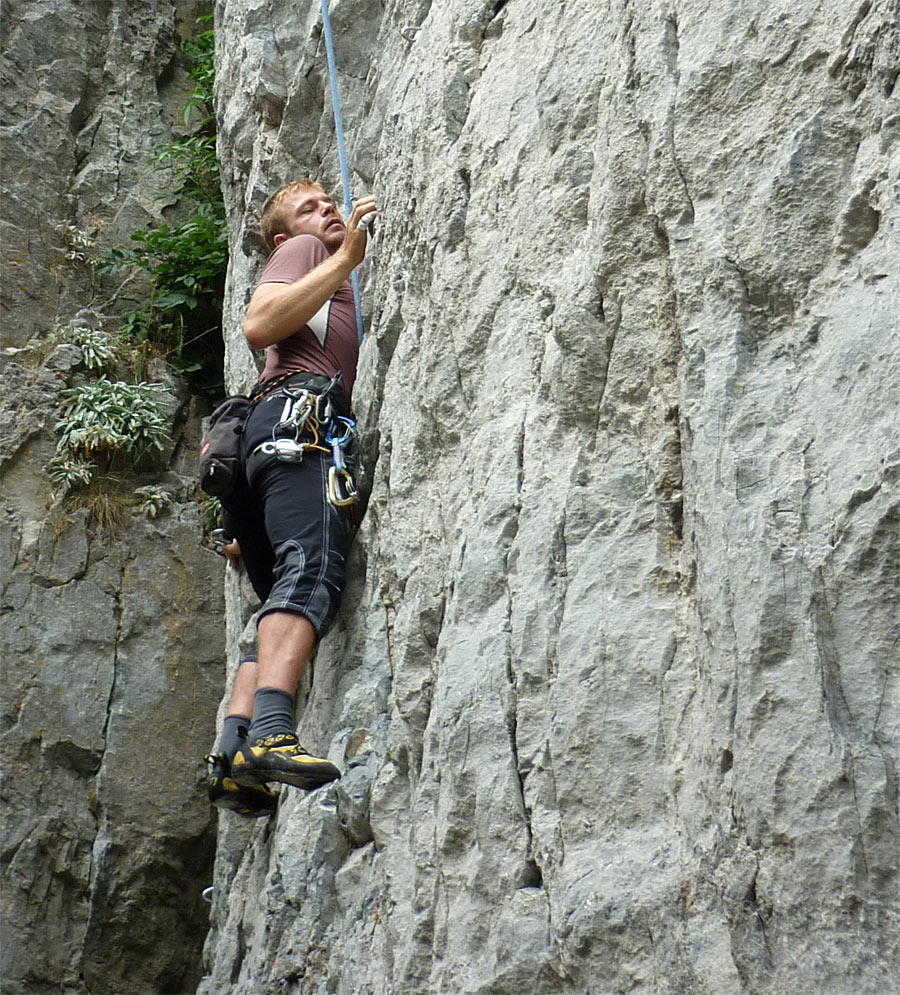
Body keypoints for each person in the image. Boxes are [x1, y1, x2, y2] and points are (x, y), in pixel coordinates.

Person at [204, 179, 377, 816]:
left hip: (266, 438)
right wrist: (344, 257)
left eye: (328, 202)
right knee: (311, 571)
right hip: (297, 425)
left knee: (280, 600)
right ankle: (272, 735)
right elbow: (260, 323)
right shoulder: (302, 253)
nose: (326, 210)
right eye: (309, 208)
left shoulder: (312, 256)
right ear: (283, 236)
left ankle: (231, 754)